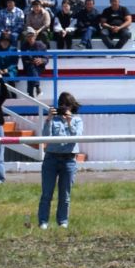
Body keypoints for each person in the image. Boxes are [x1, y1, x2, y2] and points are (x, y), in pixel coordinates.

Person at [37, 92, 82, 228]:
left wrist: (69, 122)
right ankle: (43, 221)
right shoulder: (53, 119)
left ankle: (62, 221)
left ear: (72, 106)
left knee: (65, 195)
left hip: (68, 159)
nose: (64, 107)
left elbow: (77, 137)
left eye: (67, 104)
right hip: (51, 158)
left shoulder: (77, 120)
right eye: (61, 104)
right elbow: (45, 137)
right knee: (46, 193)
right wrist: (49, 118)